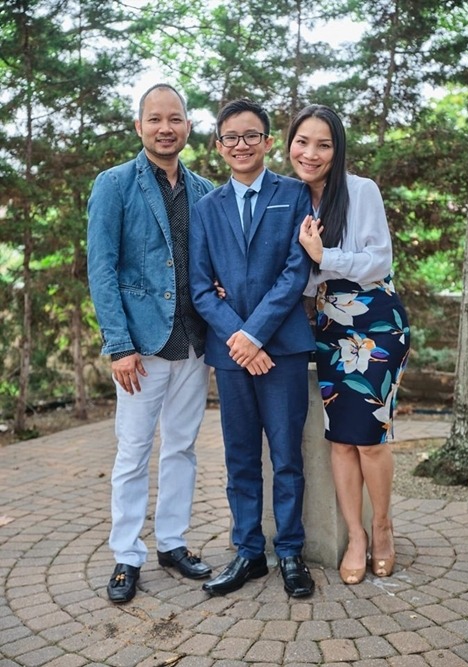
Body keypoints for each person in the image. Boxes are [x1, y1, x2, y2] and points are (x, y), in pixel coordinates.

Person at [87, 83, 214, 604]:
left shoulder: (204, 190)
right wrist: (118, 345)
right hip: (140, 348)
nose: (166, 128)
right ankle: (126, 555)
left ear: (188, 127)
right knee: (134, 452)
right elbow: (102, 268)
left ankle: (173, 543)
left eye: (175, 119)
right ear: (139, 127)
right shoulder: (115, 184)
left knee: (181, 447)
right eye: (155, 119)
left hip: (194, 344)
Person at [189, 98, 316, 598]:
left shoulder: (295, 194)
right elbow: (201, 288)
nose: (241, 145)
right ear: (219, 147)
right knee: (240, 456)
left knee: (286, 457)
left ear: (266, 142)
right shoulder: (206, 208)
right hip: (231, 356)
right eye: (231, 137)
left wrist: (254, 335)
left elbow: (296, 271)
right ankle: (248, 552)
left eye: (250, 135)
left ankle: (290, 552)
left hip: (282, 349)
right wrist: (239, 340)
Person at [287, 104, 410, 585]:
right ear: (290, 145)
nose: (310, 153)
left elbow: (379, 261)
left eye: (323, 144)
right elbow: (297, 276)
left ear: (337, 150)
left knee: (370, 440)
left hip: (376, 321)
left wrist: (325, 255)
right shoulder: (292, 198)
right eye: (302, 142)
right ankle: (355, 536)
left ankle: (383, 528)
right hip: (330, 327)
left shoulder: (361, 190)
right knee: (340, 438)